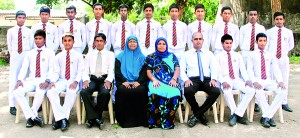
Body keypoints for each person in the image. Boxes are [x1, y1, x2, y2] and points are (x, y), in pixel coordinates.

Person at [13, 30, 55, 128]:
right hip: (31, 80)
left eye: (40, 38)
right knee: (17, 92)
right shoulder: (30, 53)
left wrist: (47, 81)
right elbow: (24, 68)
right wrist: (19, 80)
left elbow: (52, 69)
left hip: (43, 80)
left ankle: (30, 118)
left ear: (44, 40)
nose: (38, 41)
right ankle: (32, 116)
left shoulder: (50, 53)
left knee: (40, 92)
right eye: (36, 39)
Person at [247, 33, 287, 128]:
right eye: (260, 41)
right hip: (258, 80)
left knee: (283, 91)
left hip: (269, 81)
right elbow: (249, 70)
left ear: (266, 42)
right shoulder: (251, 55)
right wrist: (254, 81)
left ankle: (266, 116)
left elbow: (276, 69)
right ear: (256, 42)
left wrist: (280, 81)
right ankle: (269, 117)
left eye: (264, 41)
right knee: (259, 92)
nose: (262, 43)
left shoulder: (270, 55)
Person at [180, 32, 220, 127]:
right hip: (193, 80)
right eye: (196, 39)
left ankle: (196, 115)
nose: (198, 41)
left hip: (207, 79)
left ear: (203, 41)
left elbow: (214, 68)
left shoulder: (209, 54)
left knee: (216, 91)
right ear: (192, 41)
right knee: (188, 91)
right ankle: (200, 115)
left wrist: (213, 79)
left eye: (200, 39)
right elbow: (181, 69)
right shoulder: (186, 54)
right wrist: (186, 80)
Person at [47, 33, 84, 131]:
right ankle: (62, 119)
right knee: (50, 91)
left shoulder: (79, 56)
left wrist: (76, 81)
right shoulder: (58, 56)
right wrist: (53, 81)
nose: (67, 43)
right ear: (62, 42)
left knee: (71, 92)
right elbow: (56, 72)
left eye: (69, 40)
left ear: (73, 42)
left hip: (73, 81)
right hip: (62, 81)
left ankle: (60, 120)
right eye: (65, 40)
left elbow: (81, 71)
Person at [215, 34, 255, 126]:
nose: (229, 45)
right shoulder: (218, 56)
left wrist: (247, 80)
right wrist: (223, 81)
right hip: (225, 79)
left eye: (230, 43)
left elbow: (243, 70)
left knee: (251, 90)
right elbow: (217, 71)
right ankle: (236, 114)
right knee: (227, 91)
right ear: (222, 44)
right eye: (226, 43)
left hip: (237, 79)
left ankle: (236, 114)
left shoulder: (237, 55)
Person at [81, 33, 114, 129]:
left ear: (105, 42)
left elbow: (111, 70)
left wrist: (108, 81)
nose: (99, 43)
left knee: (105, 93)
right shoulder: (89, 55)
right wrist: (86, 80)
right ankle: (96, 118)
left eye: (101, 41)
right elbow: (85, 70)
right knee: (84, 91)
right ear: (94, 42)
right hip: (92, 79)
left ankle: (92, 118)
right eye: (97, 41)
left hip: (104, 79)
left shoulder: (110, 54)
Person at [145, 37, 181, 129]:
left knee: (175, 93)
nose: (161, 46)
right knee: (155, 93)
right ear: (156, 45)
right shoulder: (150, 56)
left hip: (170, 81)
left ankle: (168, 122)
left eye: (163, 44)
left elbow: (177, 68)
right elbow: (148, 71)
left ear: (166, 45)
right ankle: (155, 122)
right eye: (159, 44)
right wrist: (153, 80)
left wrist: (174, 79)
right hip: (156, 80)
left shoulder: (172, 56)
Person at [115, 35, 148, 128]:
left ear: (137, 44)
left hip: (138, 82)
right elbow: (117, 72)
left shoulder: (142, 57)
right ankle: (124, 121)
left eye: (134, 42)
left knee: (141, 90)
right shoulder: (120, 56)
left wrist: (139, 82)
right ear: (127, 43)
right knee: (122, 90)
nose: (132, 43)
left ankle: (140, 121)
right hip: (124, 81)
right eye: (130, 42)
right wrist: (123, 81)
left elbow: (144, 72)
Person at [7, 10, 34, 115]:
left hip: (25, 54)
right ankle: (12, 105)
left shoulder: (29, 31)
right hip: (15, 55)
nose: (21, 19)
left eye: (23, 17)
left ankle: (25, 103)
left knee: (25, 79)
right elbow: (9, 45)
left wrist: (27, 55)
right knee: (13, 80)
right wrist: (14, 54)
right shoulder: (11, 31)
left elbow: (32, 45)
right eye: (19, 17)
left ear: (25, 19)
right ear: (16, 18)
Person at [266, 12, 294, 112]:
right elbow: (267, 45)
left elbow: (291, 45)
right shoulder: (269, 32)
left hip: (283, 58)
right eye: (277, 19)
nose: (279, 21)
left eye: (281, 19)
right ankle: (270, 101)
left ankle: (284, 102)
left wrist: (282, 52)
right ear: (274, 20)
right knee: (272, 79)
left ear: (284, 20)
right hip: (272, 58)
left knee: (284, 79)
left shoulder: (288, 32)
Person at [240, 8, 266, 113]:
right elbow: (240, 41)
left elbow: (263, 41)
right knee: (244, 77)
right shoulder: (243, 28)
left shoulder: (261, 28)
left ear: (258, 16)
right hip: (246, 53)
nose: (253, 16)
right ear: (247, 16)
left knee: (256, 76)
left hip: (256, 53)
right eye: (251, 14)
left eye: (255, 14)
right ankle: (243, 101)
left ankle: (255, 103)